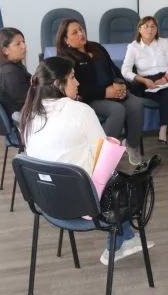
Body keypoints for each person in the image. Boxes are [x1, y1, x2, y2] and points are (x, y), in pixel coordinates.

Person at [19, 56, 154, 266]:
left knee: (113, 178)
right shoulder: (80, 111)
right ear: (58, 84)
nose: (78, 82)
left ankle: (125, 238)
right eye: (72, 77)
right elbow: (104, 157)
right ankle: (117, 243)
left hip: (46, 202)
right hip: (83, 204)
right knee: (132, 180)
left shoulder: (28, 114)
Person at [56, 19, 144, 165]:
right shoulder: (67, 59)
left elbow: (113, 69)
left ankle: (132, 145)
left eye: (81, 29)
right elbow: (79, 89)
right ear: (66, 40)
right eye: (74, 32)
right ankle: (100, 154)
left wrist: (122, 86)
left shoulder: (96, 47)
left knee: (136, 104)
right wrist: (105, 93)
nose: (80, 33)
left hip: (112, 91)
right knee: (117, 110)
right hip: (90, 98)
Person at [121, 16, 168, 153]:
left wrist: (166, 78)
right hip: (146, 82)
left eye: (153, 27)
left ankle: (163, 127)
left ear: (157, 30)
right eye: (146, 26)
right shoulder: (133, 47)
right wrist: (143, 80)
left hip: (165, 79)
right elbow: (125, 71)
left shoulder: (164, 43)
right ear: (139, 29)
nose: (149, 29)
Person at [0, 27, 31, 117]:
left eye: (23, 42)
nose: (24, 46)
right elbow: (27, 102)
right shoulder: (9, 73)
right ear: (5, 50)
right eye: (18, 44)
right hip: (22, 120)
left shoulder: (3, 66)